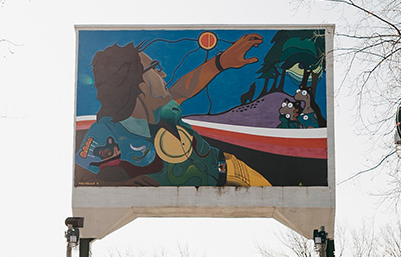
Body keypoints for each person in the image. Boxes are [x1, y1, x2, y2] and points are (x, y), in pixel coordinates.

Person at [76, 34, 271, 187]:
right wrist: (122, 185)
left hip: (232, 170)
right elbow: (82, 175)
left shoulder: (162, 108)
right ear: (136, 82)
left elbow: (184, 87)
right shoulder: (108, 130)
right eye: (155, 68)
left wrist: (221, 62)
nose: (163, 73)